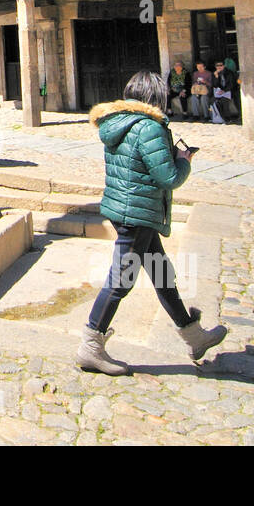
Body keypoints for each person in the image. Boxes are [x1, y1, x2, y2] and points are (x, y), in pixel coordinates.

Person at [76, 71, 228, 375]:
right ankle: (90, 346)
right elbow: (168, 177)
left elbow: (136, 164)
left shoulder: (117, 121)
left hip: (127, 208)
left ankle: (193, 335)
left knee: (161, 273)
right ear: (154, 97)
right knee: (121, 280)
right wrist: (183, 159)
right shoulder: (148, 127)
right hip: (138, 212)